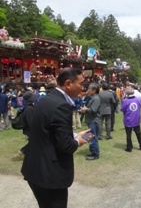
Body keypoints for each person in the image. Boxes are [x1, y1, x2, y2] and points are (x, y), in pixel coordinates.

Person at [21, 67, 92, 208]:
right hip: (50, 175)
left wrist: (72, 135)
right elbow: (66, 146)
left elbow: (48, 131)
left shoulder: (45, 99)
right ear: (68, 83)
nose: (82, 88)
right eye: (80, 84)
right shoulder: (61, 106)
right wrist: (77, 141)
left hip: (35, 169)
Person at [80, 83, 101, 160]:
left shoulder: (96, 98)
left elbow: (93, 110)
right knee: (91, 136)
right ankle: (93, 151)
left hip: (94, 120)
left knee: (92, 137)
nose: (88, 90)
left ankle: (95, 153)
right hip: (91, 120)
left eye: (89, 89)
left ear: (94, 90)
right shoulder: (93, 97)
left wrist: (86, 109)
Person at [120, 87, 141, 152]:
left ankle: (129, 147)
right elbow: (140, 106)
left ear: (127, 93)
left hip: (128, 119)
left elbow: (122, 109)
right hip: (136, 118)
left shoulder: (125, 101)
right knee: (138, 133)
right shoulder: (137, 99)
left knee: (129, 134)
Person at [18, 92, 39, 157]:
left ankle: (24, 151)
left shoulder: (29, 107)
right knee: (34, 142)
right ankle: (23, 150)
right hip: (30, 129)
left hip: (29, 129)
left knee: (34, 142)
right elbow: (30, 121)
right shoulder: (29, 109)